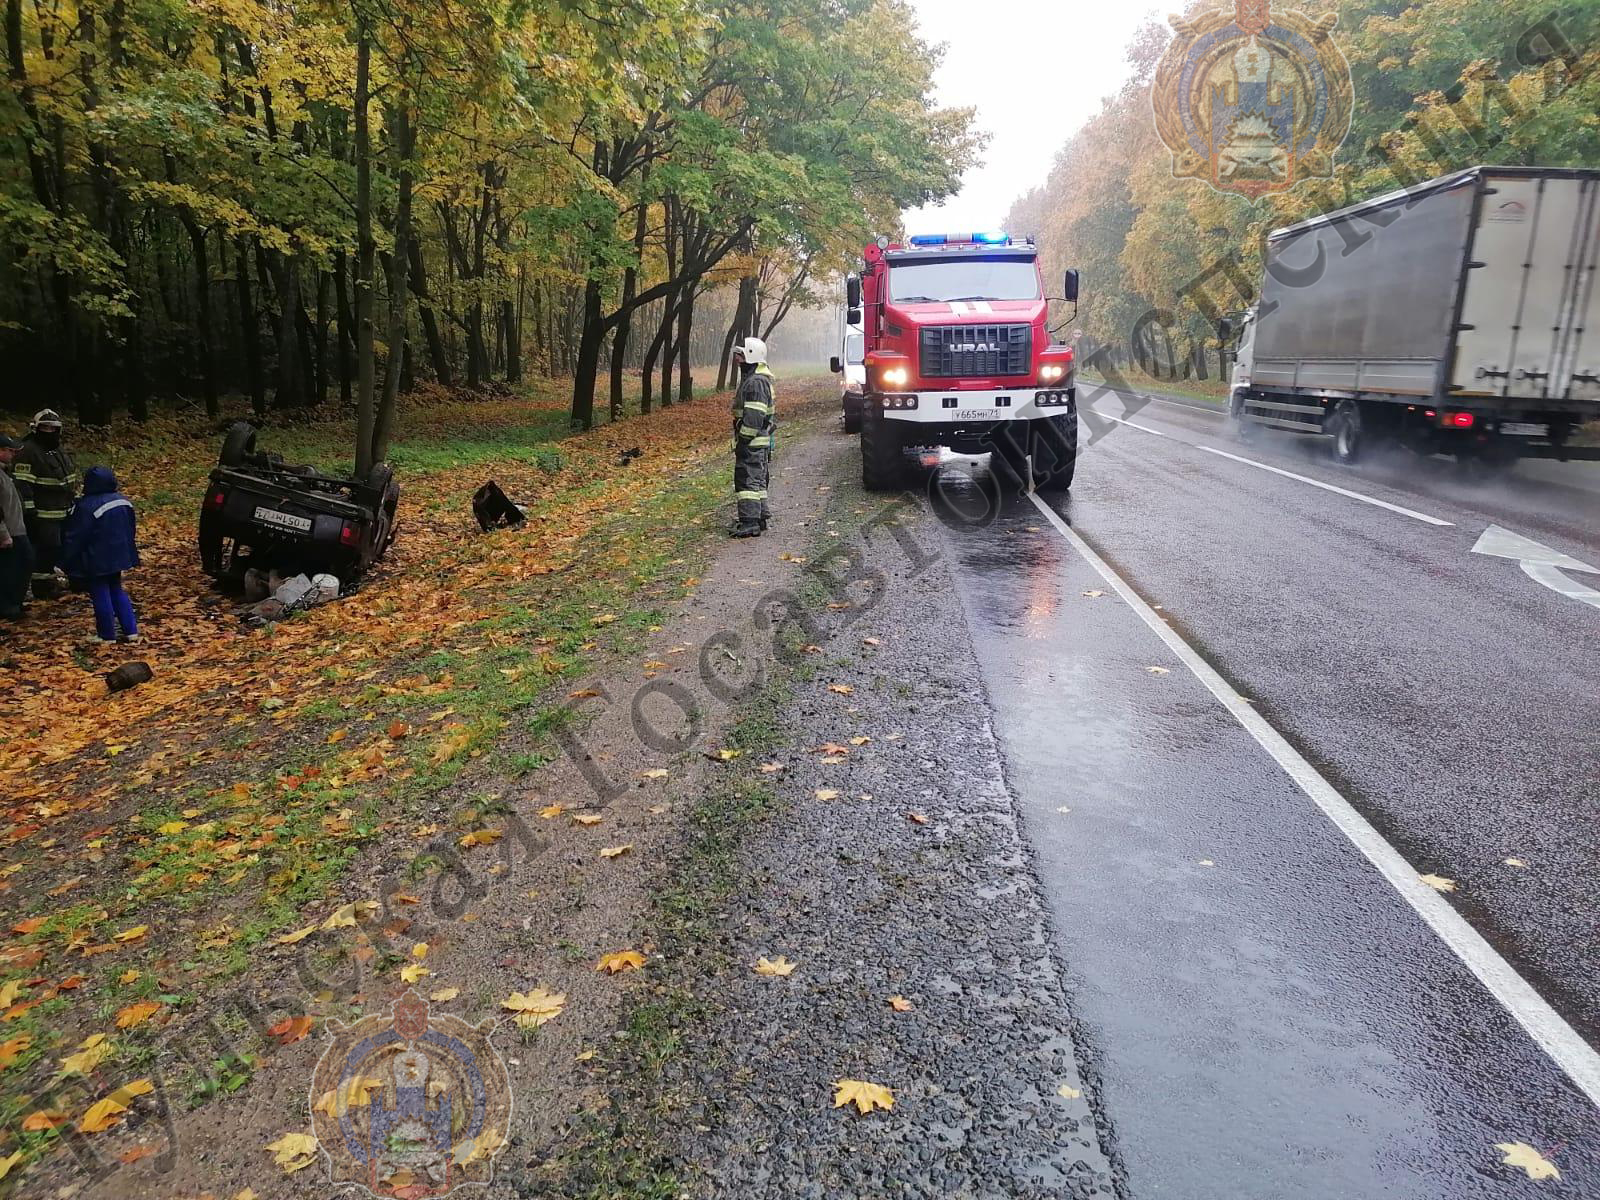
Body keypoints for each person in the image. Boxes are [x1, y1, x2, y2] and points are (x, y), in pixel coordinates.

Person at [61, 465, 140, 644]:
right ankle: (131, 631)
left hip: (97, 557)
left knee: (100, 592)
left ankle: (107, 634)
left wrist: (64, 561)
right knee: (117, 589)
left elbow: (76, 536)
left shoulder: (86, 506)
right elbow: (131, 528)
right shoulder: (123, 501)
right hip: (120, 554)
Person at [12, 409, 76, 599]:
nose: (50, 431)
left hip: (62, 509)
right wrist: (30, 512)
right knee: (47, 550)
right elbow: (22, 484)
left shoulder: (56, 449)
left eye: (54, 428)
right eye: (45, 428)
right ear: (35, 429)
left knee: (57, 548)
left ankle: (51, 581)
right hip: (43, 514)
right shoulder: (28, 451)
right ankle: (42, 587)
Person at [729, 336, 776, 538]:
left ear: (751, 356)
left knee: (747, 482)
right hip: (758, 442)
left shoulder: (756, 382)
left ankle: (750, 523)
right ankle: (760, 517)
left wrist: (743, 441)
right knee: (757, 481)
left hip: (752, 442)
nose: (737, 360)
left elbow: (754, 418)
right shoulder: (756, 379)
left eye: (740, 355)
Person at [0, 434, 31, 621]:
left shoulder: (5, 473)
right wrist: (3, 534)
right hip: (8, 533)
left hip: (16, 529)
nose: (13, 455)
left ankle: (14, 604)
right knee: (10, 571)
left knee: (23, 564)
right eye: (9, 451)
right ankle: (8, 607)